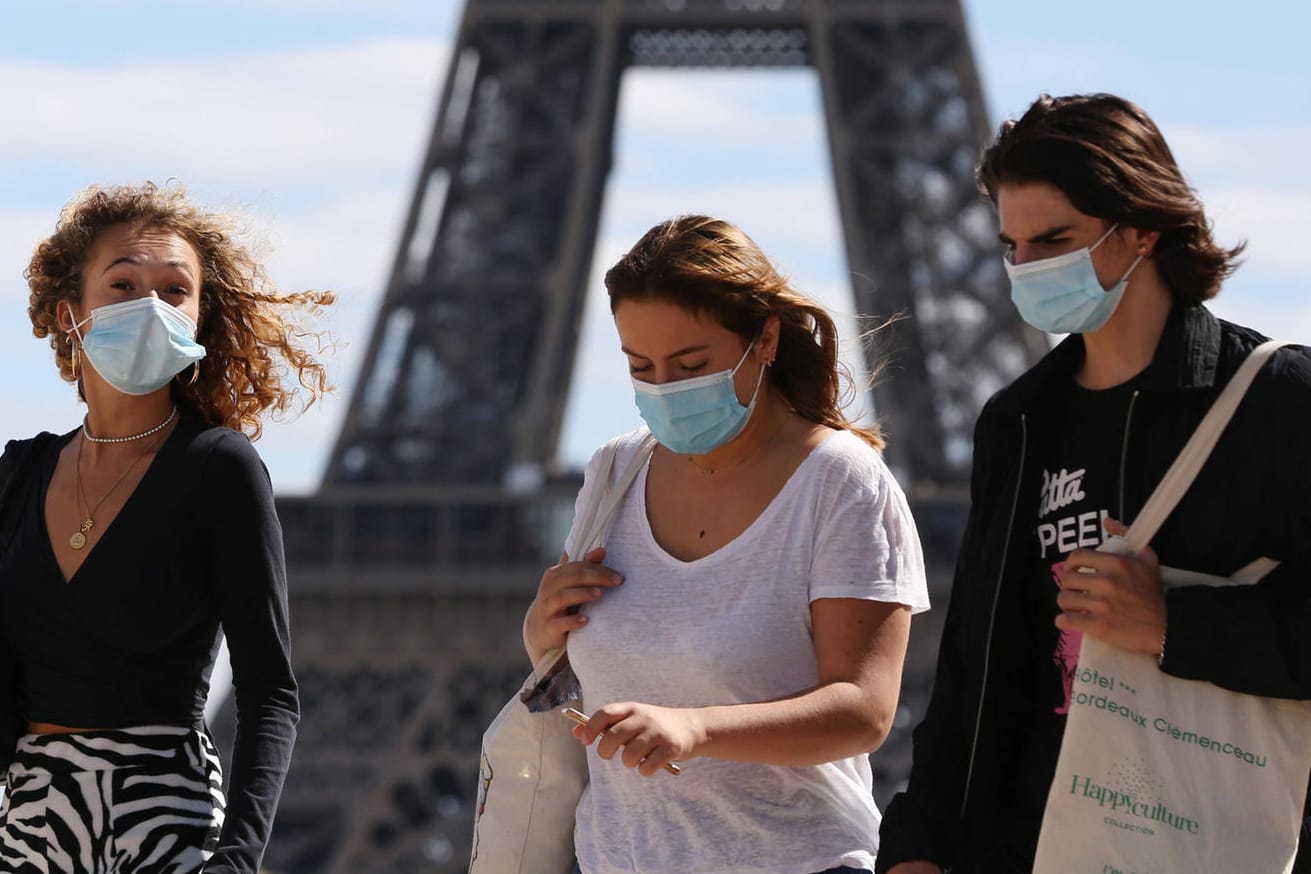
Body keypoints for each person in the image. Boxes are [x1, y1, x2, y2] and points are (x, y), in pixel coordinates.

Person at [876, 93, 1311, 873]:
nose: (1028, 268)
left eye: (1055, 240)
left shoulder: (1279, 400)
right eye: (1012, 246)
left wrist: (1177, 626)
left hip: (1207, 838)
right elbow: (974, 661)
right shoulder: (1014, 422)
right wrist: (919, 842)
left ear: (1143, 228)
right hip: (1028, 842)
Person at [523, 215, 930, 874]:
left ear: (764, 339)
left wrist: (697, 728)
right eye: (640, 367)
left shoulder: (840, 483)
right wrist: (542, 630)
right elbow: (586, 683)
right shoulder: (612, 474)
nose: (663, 388)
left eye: (690, 365)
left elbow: (862, 711)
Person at [0, 182, 332, 873]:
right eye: (122, 283)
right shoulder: (19, 472)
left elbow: (269, 688)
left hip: (163, 815)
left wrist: (237, 859)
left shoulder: (217, 468)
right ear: (71, 312)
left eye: (174, 290)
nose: (150, 305)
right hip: (26, 818)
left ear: (199, 319)